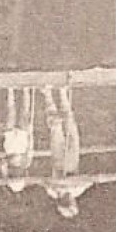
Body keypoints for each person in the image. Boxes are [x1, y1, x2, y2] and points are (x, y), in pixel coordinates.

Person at [44, 87, 92, 218]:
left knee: (56, 128)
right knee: (71, 126)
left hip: (59, 162)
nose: (68, 200)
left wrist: (59, 181)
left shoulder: (54, 193)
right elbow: (89, 181)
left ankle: (47, 94)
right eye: (70, 203)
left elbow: (46, 182)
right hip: (72, 160)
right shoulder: (77, 191)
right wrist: (74, 179)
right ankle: (62, 93)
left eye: (65, 203)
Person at [0, 87, 35, 194]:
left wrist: (4, 174)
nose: (16, 173)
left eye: (14, 176)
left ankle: (10, 91)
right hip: (22, 142)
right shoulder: (26, 163)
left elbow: (1, 163)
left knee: (11, 114)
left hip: (10, 145)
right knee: (25, 113)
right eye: (18, 176)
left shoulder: (7, 166)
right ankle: (26, 91)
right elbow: (30, 147)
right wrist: (30, 133)